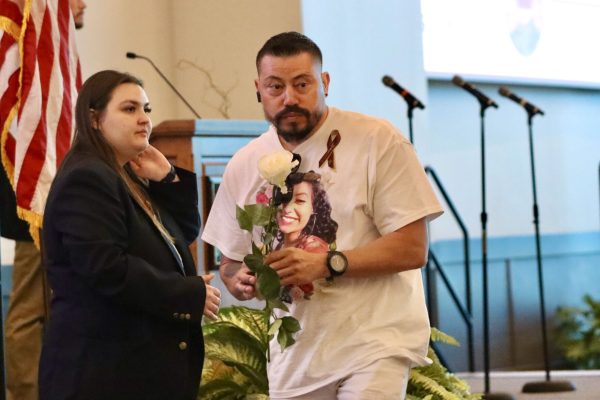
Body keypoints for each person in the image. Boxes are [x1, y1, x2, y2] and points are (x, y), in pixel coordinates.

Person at [201, 31, 444, 399]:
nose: (289, 98)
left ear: (324, 82)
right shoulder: (244, 164)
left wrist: (328, 263)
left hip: (373, 344)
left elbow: (412, 248)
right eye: (275, 86)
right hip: (295, 357)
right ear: (258, 89)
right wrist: (240, 280)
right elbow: (231, 263)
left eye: (302, 84)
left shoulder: (377, 140)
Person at [39, 70, 220, 400]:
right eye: (129, 109)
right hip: (103, 372)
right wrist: (186, 293)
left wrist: (167, 178)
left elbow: (181, 236)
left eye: (147, 109)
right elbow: (107, 268)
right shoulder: (88, 177)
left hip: (132, 366)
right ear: (94, 119)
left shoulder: (121, 174)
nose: (144, 120)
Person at [1, 3, 86, 399]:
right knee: (29, 308)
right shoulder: (33, 36)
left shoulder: (58, 47)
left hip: (57, 190)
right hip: (29, 192)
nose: (82, 5)